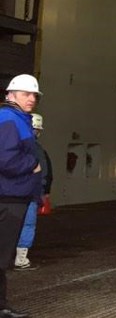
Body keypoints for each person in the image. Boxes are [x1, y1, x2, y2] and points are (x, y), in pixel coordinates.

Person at [0, 74, 41, 318]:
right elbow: (5, 159)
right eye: (26, 94)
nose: (32, 98)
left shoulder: (16, 119)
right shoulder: (9, 120)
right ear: (11, 94)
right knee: (1, 255)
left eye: (34, 95)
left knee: (3, 256)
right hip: (8, 198)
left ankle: (2, 306)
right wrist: (32, 164)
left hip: (13, 197)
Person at [15, 113, 52, 270]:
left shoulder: (12, 144)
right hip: (30, 192)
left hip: (11, 192)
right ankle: (21, 259)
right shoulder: (36, 148)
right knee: (28, 224)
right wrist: (43, 191)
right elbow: (43, 172)